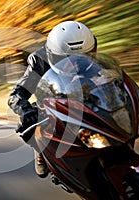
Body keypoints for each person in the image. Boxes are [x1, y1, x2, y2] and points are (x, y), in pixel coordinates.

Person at [8, 21, 97, 178]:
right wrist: (26, 110)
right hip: (52, 103)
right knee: (27, 125)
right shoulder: (39, 61)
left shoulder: (89, 55)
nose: (76, 64)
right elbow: (16, 95)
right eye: (68, 59)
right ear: (52, 54)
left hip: (85, 96)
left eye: (83, 56)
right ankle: (41, 151)